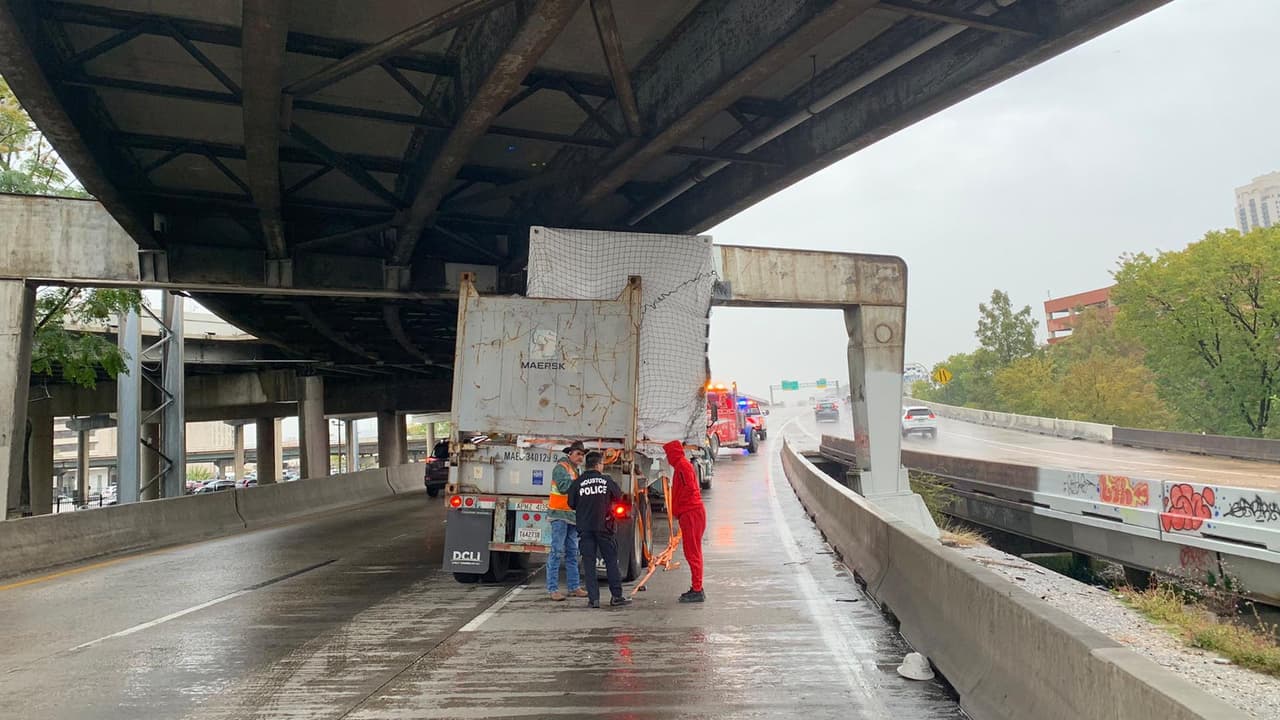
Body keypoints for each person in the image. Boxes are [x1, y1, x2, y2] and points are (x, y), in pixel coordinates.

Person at [568, 450, 631, 608]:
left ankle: (593, 599)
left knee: (589, 564)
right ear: (598, 465)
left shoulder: (577, 482)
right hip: (604, 528)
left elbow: (571, 503)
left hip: (585, 530)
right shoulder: (606, 481)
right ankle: (616, 596)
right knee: (611, 562)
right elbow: (619, 496)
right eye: (602, 464)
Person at [664, 440, 706, 602]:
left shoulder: (682, 467)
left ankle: (697, 589)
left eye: (668, 454)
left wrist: (679, 508)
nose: (667, 458)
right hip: (691, 513)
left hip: (690, 514)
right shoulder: (682, 466)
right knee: (693, 551)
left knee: (692, 552)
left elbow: (688, 489)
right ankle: (697, 587)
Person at [546, 441, 587, 601]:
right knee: (556, 552)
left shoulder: (577, 471)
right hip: (559, 515)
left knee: (572, 552)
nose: (580, 457)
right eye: (578, 454)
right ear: (569, 454)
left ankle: (574, 586)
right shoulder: (561, 468)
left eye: (582, 455)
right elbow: (564, 487)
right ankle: (553, 589)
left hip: (571, 516)